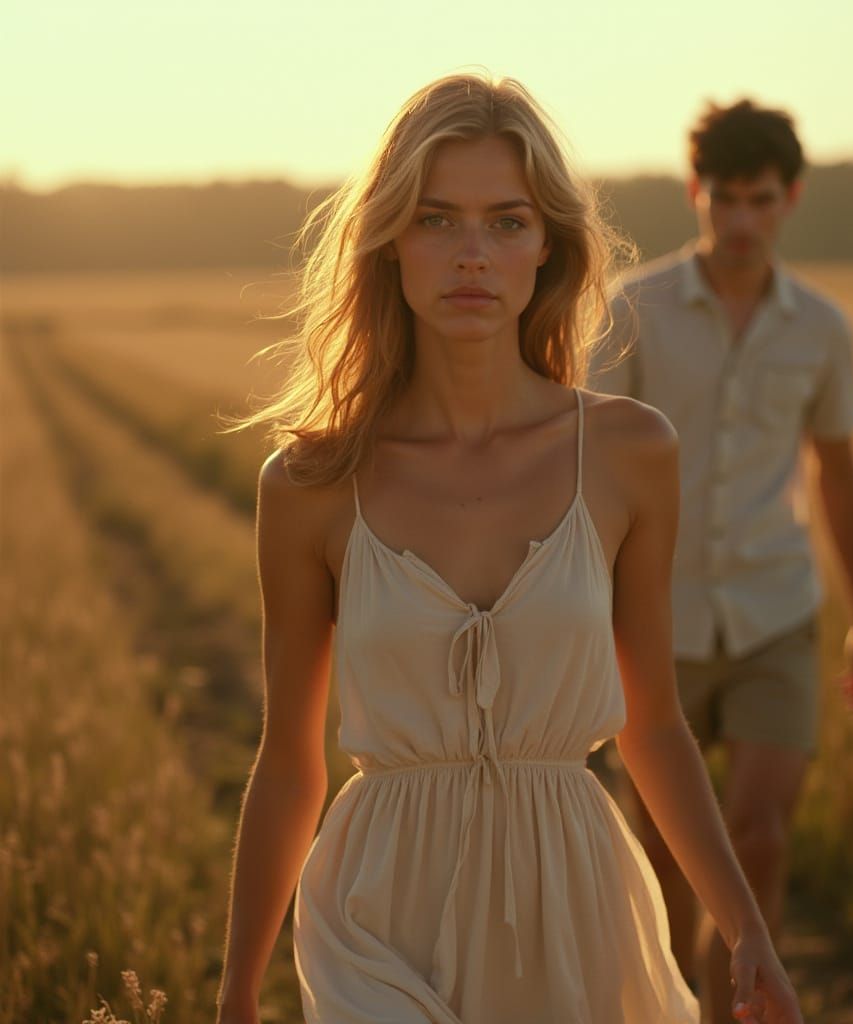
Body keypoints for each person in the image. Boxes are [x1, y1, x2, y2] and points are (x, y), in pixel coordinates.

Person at [214, 74, 803, 1024]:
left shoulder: (628, 452)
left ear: (547, 247)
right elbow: (288, 762)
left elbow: (654, 727)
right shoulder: (310, 483)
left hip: (569, 909)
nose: (472, 255)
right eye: (436, 220)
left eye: (507, 223)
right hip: (378, 917)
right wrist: (238, 989)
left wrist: (746, 930)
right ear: (390, 241)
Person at [591, 99, 853, 1021]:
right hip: (654, 621)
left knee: (759, 835)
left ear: (790, 198)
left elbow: (838, 473)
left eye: (761, 200)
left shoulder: (822, 328)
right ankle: (673, 1003)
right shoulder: (633, 309)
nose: (742, 220)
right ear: (697, 191)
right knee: (665, 851)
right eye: (725, 198)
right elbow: (589, 463)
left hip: (775, 617)